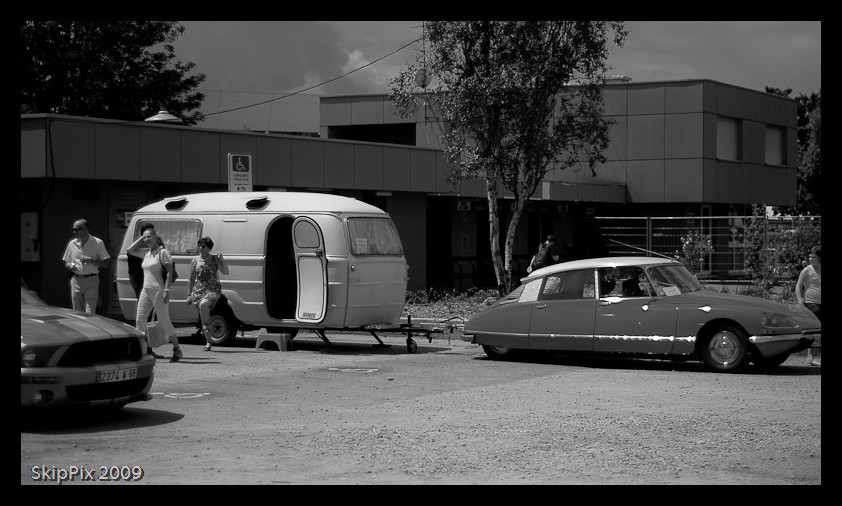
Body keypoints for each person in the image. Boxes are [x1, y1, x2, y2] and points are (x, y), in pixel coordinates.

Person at [127, 224, 182, 362]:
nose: (146, 240)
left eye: (149, 237)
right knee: (140, 321)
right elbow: (129, 250)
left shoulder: (162, 252)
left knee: (164, 321)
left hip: (159, 290)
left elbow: (169, 272)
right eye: (145, 238)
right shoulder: (146, 253)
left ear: (156, 237)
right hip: (146, 290)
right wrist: (142, 238)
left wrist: (166, 290)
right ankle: (142, 351)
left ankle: (177, 349)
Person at [187, 236, 229, 351]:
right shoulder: (195, 261)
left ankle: (208, 340)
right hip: (199, 291)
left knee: (203, 304)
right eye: (199, 245)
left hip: (213, 289)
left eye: (204, 246)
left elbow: (226, 272)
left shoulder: (214, 259)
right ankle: (208, 341)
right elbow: (191, 279)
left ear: (209, 248)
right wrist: (189, 294)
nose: (201, 248)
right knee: (204, 315)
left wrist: (222, 260)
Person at [61, 219, 111, 314]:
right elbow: (67, 262)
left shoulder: (98, 243)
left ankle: (90, 329)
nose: (74, 232)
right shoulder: (72, 243)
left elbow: (106, 263)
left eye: (77, 229)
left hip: (91, 279)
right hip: (76, 280)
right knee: (77, 312)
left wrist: (92, 260)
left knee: (90, 312)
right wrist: (71, 266)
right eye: (73, 229)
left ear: (86, 229)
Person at [795, 246, 821, 366]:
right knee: (814, 330)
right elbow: (798, 286)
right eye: (810, 256)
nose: (811, 259)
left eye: (814, 257)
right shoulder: (807, 270)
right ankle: (810, 357)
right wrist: (800, 301)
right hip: (811, 303)